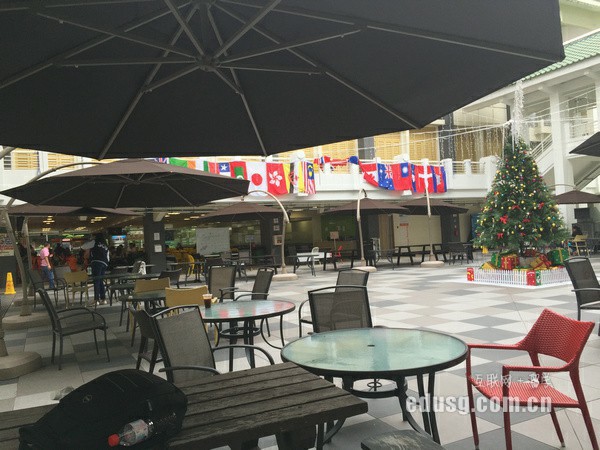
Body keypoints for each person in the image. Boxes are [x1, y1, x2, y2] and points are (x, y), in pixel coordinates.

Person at [90, 234, 110, 305]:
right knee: (101, 280)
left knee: (96, 281)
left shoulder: (94, 243)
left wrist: (91, 240)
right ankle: (103, 299)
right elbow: (108, 257)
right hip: (104, 263)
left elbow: (83, 247)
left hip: (96, 263)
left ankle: (96, 299)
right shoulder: (105, 246)